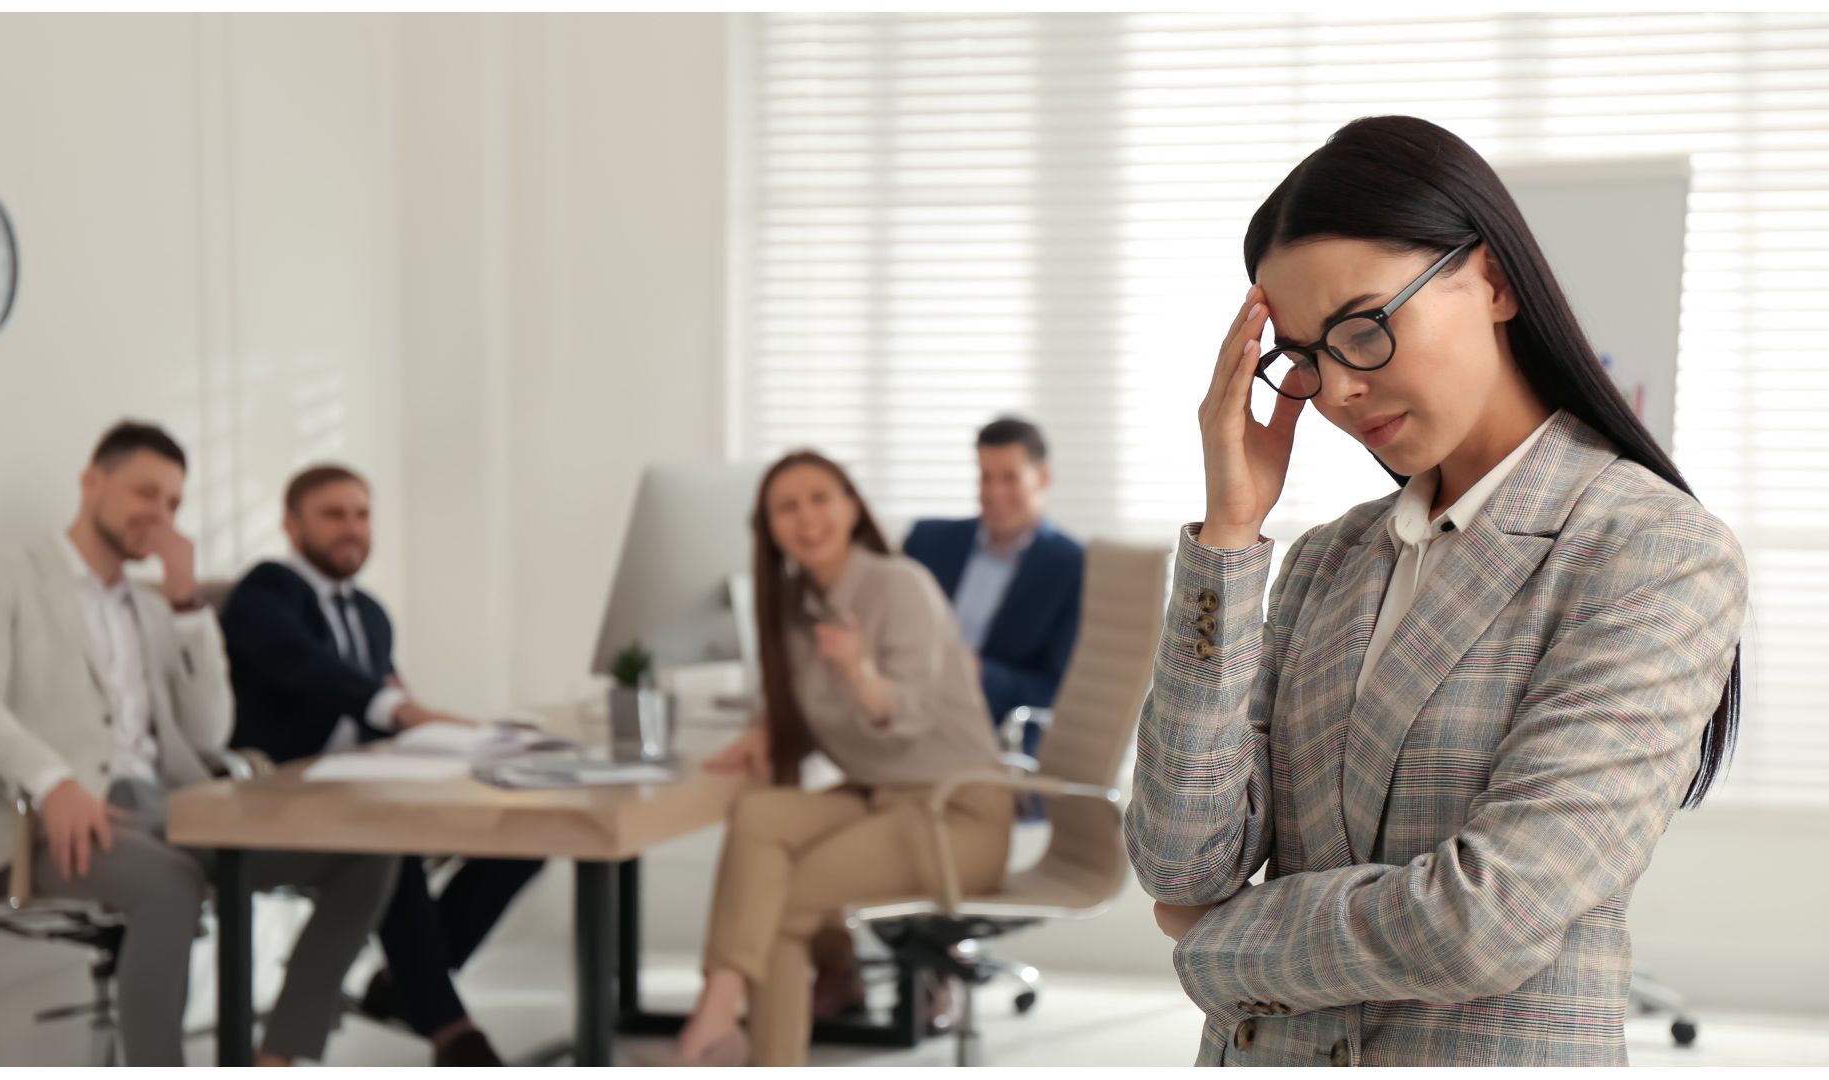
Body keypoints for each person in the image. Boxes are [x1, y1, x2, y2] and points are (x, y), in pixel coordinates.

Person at [1123, 115, 1747, 1067]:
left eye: (1363, 328)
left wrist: (1215, 937)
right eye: (1304, 355)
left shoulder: (1651, 551)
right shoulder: (1327, 560)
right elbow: (1179, 860)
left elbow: (1488, 919)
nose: (1334, 391)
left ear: (1491, 280)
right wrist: (1230, 534)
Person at [0, 421, 397, 1067]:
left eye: (174, 502)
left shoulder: (152, 607)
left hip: (162, 807)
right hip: (38, 820)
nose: (159, 514)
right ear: (92, 483)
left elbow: (210, 733)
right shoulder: (2, 574)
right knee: (170, 884)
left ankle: (280, 1054)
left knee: (367, 856)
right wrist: (53, 781)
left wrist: (185, 604)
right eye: (145, 493)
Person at [661, 450, 1014, 1067]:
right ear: (769, 529)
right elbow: (805, 708)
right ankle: (721, 1011)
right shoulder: (794, 610)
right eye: (786, 507)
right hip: (879, 798)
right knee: (759, 817)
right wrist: (769, 727)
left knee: (781, 899)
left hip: (957, 815)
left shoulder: (898, 585)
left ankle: (720, 1029)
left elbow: (907, 717)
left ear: (852, 507)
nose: (806, 518)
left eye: (820, 498)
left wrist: (859, 670)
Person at [220, 464, 542, 1067]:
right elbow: (308, 668)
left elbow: (384, 704)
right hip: (287, 796)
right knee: (386, 842)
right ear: (292, 524)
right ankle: (449, 1029)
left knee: (526, 831)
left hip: (371, 781)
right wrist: (402, 709)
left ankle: (409, 981)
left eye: (362, 515)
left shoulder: (370, 612)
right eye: (333, 514)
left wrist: (455, 741)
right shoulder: (266, 592)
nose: (352, 529)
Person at [903, 416, 1085, 757]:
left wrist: (978, 673)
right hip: (905, 711)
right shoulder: (927, 542)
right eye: (985, 477)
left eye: (1009, 478)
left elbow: (1057, 692)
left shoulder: (1073, 567)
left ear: (1043, 478)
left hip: (990, 738)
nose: (993, 493)